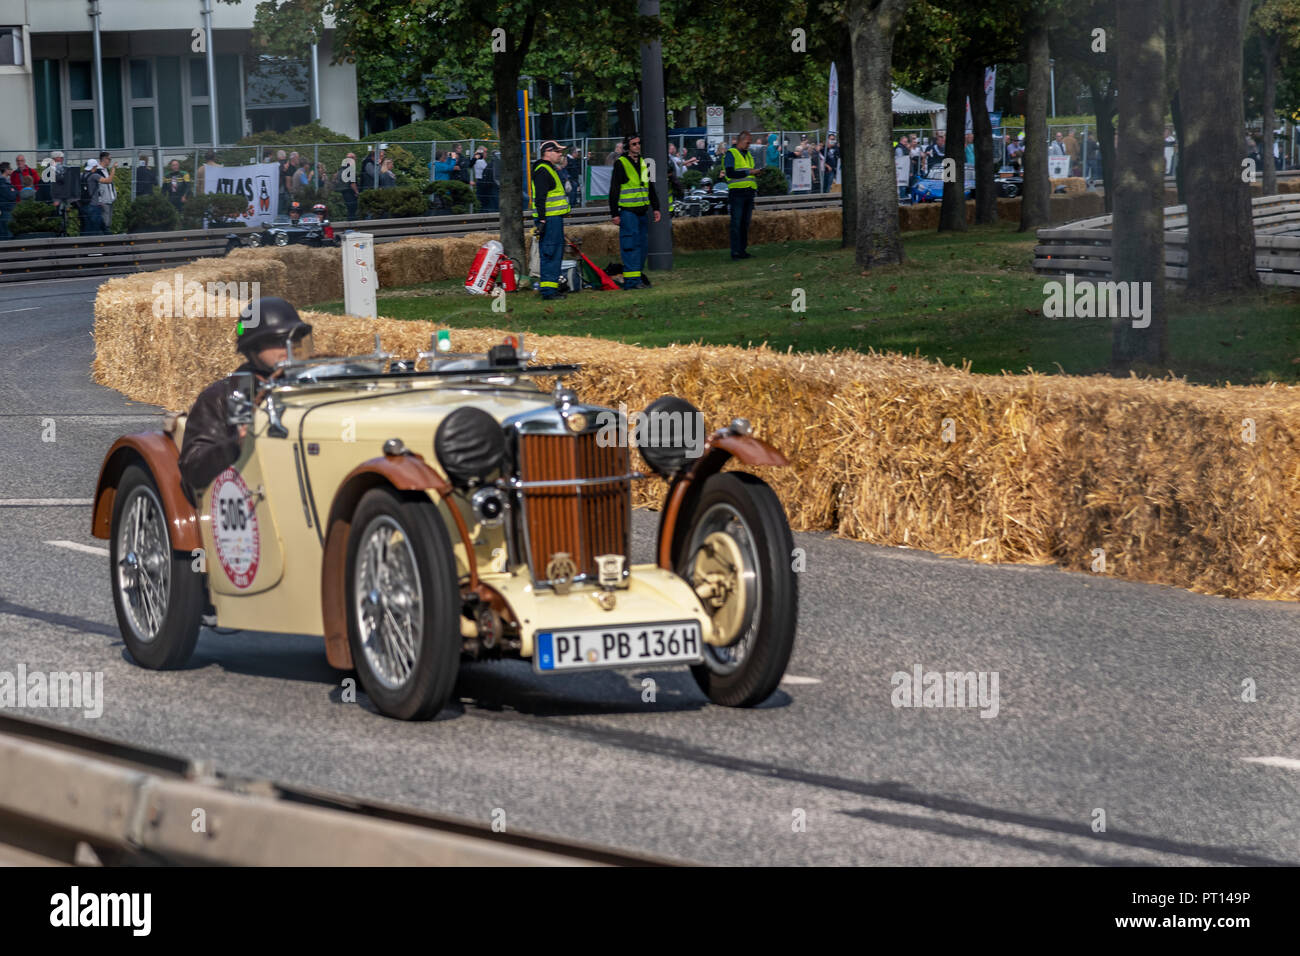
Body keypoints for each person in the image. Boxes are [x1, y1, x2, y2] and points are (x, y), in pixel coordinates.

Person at [178, 298, 313, 505]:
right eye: (278, 341)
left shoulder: (312, 385)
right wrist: (236, 444)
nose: (288, 348)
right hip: (249, 498)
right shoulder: (224, 397)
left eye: (294, 340)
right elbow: (193, 468)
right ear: (253, 346)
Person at [608, 132, 661, 290]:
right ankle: (632, 282)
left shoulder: (646, 162)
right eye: (634, 144)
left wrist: (656, 208)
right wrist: (614, 213)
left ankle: (636, 277)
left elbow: (650, 187)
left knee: (642, 247)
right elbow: (614, 190)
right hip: (628, 212)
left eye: (639, 143)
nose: (638, 146)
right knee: (631, 246)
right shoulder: (620, 163)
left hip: (642, 212)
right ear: (627, 147)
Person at [531, 140, 569, 300]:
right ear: (548, 152)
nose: (561, 154)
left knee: (553, 253)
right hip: (549, 220)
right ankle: (548, 291)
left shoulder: (549, 169)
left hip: (553, 219)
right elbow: (540, 197)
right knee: (550, 253)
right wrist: (542, 220)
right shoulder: (543, 170)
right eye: (558, 151)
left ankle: (551, 288)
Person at [723, 130, 758, 259]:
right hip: (737, 193)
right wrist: (749, 173)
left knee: (744, 224)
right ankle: (735, 252)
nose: (749, 145)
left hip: (748, 192)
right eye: (747, 142)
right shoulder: (731, 154)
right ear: (740, 141)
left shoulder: (747, 154)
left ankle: (742, 250)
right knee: (736, 224)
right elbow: (730, 173)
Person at [88, 152, 118, 235]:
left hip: (110, 199)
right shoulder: (97, 171)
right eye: (109, 159)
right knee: (105, 222)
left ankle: (106, 238)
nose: (110, 161)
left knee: (108, 221)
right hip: (103, 201)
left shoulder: (105, 170)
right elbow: (99, 187)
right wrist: (100, 200)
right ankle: (104, 239)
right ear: (104, 159)